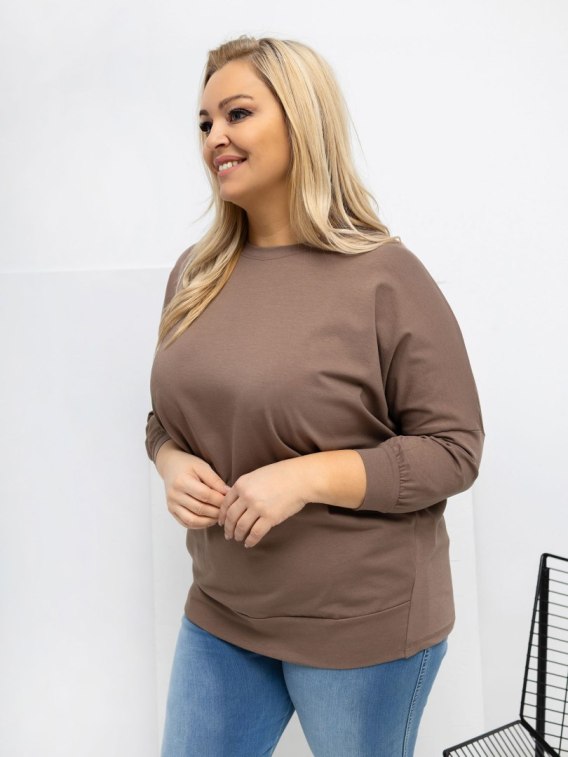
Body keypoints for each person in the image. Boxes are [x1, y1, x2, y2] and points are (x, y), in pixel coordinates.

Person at [145, 35, 485, 757]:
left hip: (360, 626)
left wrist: (304, 478)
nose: (215, 137)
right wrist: (171, 461)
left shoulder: (385, 277)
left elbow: (454, 450)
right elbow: (167, 419)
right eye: (204, 122)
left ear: (302, 118)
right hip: (222, 611)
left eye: (238, 113)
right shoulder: (194, 274)